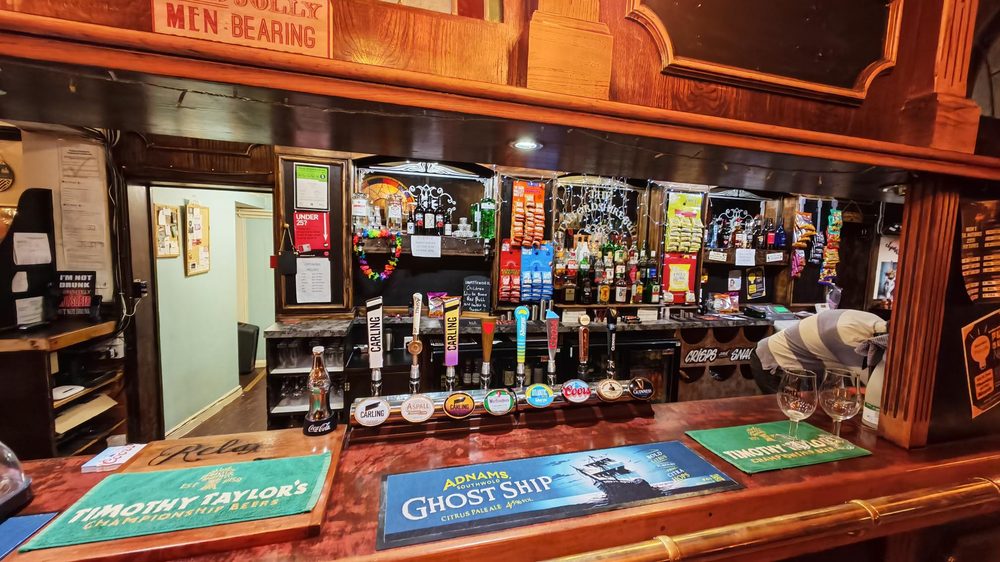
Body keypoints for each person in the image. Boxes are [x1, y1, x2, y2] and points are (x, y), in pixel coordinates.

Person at [750, 309, 888, 394]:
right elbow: (874, 391)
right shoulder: (849, 336)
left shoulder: (879, 325)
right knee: (785, 420)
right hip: (773, 363)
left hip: (806, 368)